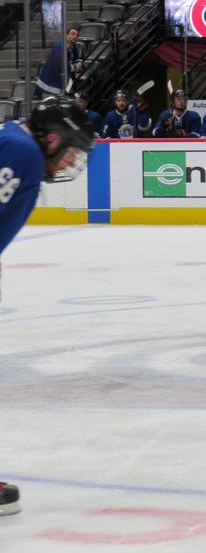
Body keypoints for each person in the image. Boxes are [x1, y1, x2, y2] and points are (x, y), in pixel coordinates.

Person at [0, 97, 95, 514]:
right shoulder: (21, 153)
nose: (72, 159)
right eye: (72, 148)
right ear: (52, 137)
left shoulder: (14, 143)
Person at [35, 27, 83, 97]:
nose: (75, 36)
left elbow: (76, 60)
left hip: (61, 83)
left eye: (77, 35)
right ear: (66, 35)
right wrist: (75, 67)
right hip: (49, 85)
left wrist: (79, 63)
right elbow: (61, 66)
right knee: (52, 105)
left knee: (67, 97)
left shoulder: (73, 47)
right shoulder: (59, 46)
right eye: (72, 34)